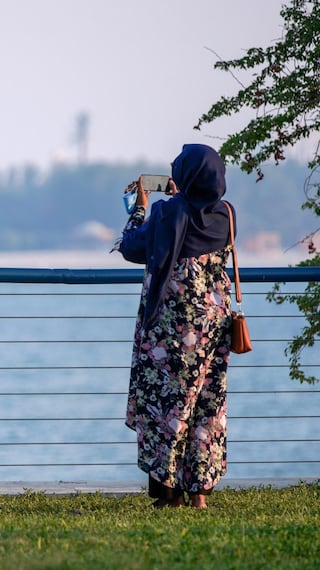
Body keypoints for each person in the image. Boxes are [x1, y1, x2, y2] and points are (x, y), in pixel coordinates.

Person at [117, 144, 235, 509]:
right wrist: (180, 199)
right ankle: (199, 493)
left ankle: (170, 496)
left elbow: (132, 246)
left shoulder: (168, 213)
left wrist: (138, 207)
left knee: (166, 406)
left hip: (173, 329)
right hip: (215, 327)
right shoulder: (227, 214)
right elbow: (196, 221)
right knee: (205, 406)